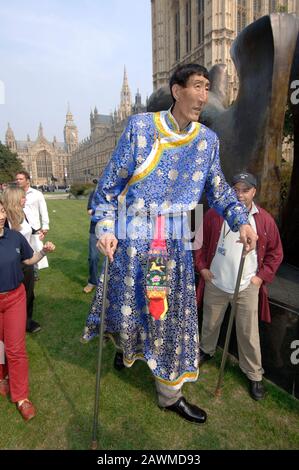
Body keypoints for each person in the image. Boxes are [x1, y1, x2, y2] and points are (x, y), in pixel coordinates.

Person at [83, 63, 257, 424]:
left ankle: (169, 394)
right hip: (131, 245)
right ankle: (126, 350)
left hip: (167, 248)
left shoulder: (207, 141)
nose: (204, 95)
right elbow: (109, 187)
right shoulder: (141, 128)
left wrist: (241, 220)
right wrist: (105, 228)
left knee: (164, 317)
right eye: (197, 86)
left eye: (208, 87)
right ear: (177, 91)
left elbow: (219, 189)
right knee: (127, 309)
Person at [195, 172, 283, 400]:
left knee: (248, 333)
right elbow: (198, 243)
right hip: (216, 282)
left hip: (246, 286)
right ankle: (206, 351)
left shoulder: (264, 220)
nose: (240, 194)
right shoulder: (215, 214)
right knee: (210, 323)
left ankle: (254, 374)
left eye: (246, 190)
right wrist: (202, 268)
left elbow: (276, 253)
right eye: (236, 189)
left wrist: (260, 278)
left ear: (254, 191)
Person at [0, 196, 55, 421]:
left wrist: (43, 252)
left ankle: (21, 396)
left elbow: (29, 259)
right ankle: (2, 378)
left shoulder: (14, 237)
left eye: (1, 210)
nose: (0, 214)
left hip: (14, 299)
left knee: (15, 348)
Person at [2, 186, 44, 333]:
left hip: (27, 260)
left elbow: (28, 229)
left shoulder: (22, 213)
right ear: (15, 199)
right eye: (23, 197)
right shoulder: (5, 218)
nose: (25, 199)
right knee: (14, 296)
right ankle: (14, 325)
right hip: (13, 263)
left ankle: (26, 322)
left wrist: (37, 232)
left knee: (29, 294)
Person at [15, 171, 50, 274]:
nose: (18, 181)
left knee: (35, 250)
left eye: (20, 179)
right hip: (20, 228)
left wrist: (45, 226)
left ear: (27, 181)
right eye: (17, 179)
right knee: (20, 251)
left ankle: (33, 272)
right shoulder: (14, 194)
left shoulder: (37, 194)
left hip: (35, 227)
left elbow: (43, 210)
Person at [83, 179, 100, 293]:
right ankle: (92, 281)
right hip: (95, 229)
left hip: (113, 229)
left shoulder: (114, 193)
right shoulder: (94, 193)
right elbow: (89, 210)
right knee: (93, 257)